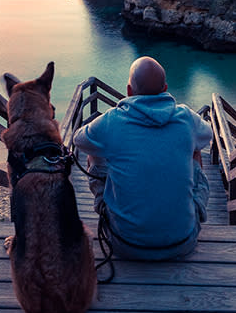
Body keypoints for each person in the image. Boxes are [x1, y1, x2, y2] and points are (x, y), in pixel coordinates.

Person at [73, 56, 212, 260]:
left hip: (124, 243)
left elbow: (79, 140)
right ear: (165, 88)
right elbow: (206, 136)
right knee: (195, 150)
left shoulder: (112, 121)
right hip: (182, 242)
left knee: (95, 152)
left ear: (129, 90)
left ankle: (105, 204)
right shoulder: (186, 117)